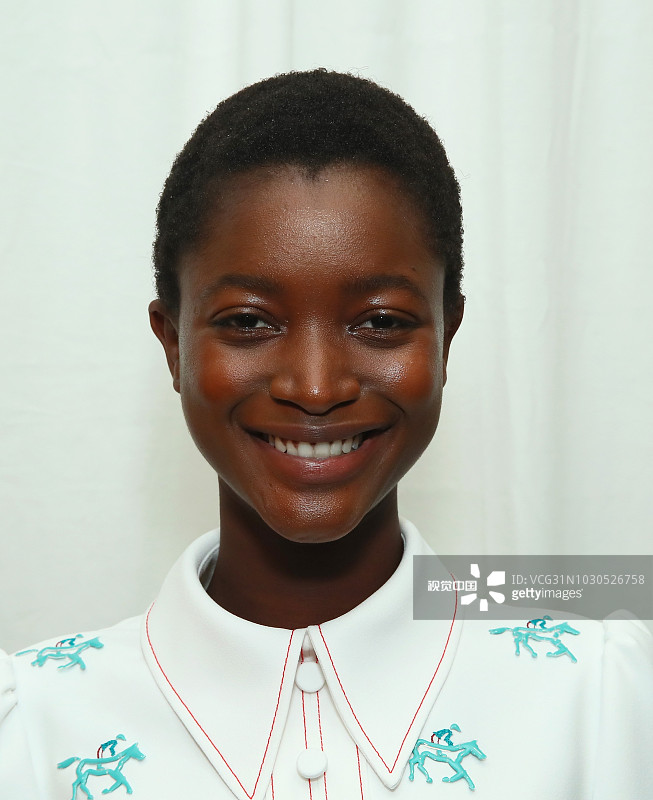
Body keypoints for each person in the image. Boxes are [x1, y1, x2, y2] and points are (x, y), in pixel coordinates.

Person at [1, 69, 651, 799]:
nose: (315, 388)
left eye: (381, 322)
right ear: (173, 344)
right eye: (248, 321)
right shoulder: (34, 731)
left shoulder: (602, 699)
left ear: (447, 337)